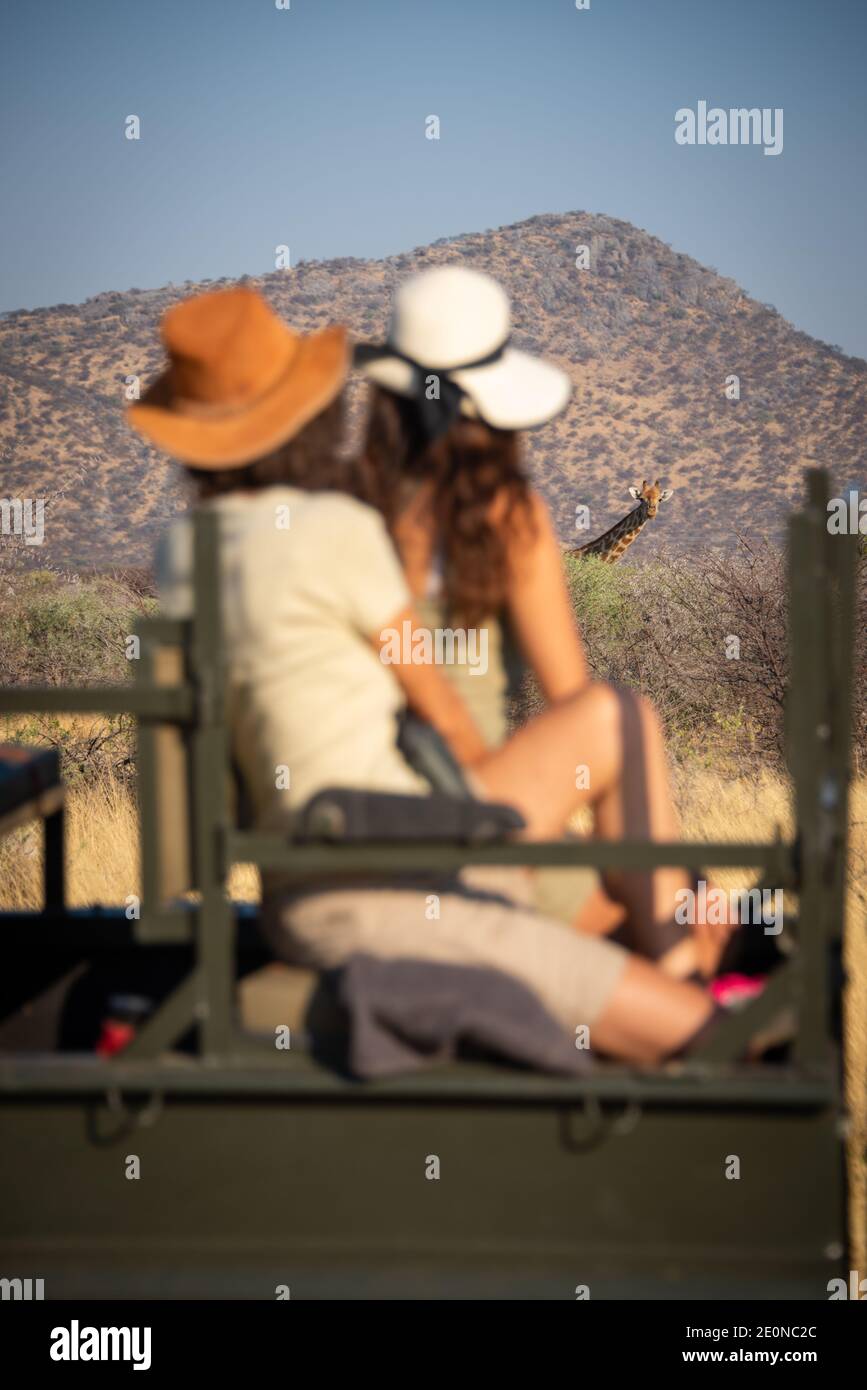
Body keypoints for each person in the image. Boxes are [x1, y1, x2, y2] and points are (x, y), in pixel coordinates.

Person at [128, 284, 724, 1064]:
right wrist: (518, 824)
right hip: (418, 831)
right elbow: (455, 711)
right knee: (619, 724)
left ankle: (676, 959)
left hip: (330, 845)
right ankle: (687, 966)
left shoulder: (209, 545)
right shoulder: (401, 527)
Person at [354, 265, 740, 982]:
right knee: (616, 717)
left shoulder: (338, 511)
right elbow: (577, 707)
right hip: (474, 823)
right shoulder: (509, 518)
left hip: (344, 824)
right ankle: (685, 961)